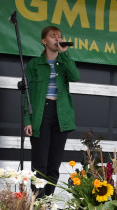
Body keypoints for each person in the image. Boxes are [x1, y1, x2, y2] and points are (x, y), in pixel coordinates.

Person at [24, 25, 80, 197]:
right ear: (44, 41)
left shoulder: (64, 63)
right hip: (41, 113)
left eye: (60, 36)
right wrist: (28, 119)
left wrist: (65, 53)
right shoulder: (34, 64)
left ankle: (48, 203)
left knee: (54, 164)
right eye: (53, 36)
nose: (57, 39)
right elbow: (26, 94)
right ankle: (37, 203)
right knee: (39, 163)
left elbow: (75, 76)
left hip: (61, 114)